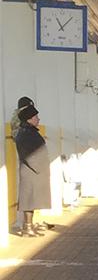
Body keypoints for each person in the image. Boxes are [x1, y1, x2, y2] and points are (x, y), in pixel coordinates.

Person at [12, 100, 49, 237]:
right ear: (29, 119)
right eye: (36, 117)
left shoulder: (29, 131)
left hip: (34, 171)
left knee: (32, 200)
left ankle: (29, 225)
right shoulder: (25, 133)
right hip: (31, 171)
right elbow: (28, 153)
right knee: (28, 200)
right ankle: (27, 227)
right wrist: (39, 167)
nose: (38, 119)